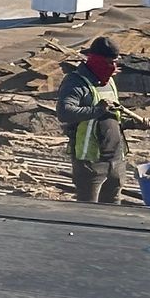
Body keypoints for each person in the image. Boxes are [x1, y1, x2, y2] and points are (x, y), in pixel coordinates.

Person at [56, 36, 127, 204]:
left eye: (115, 62)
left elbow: (113, 116)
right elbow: (65, 112)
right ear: (95, 60)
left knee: (112, 211)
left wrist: (130, 123)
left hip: (115, 159)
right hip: (90, 161)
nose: (113, 67)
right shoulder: (76, 82)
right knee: (88, 210)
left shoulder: (109, 82)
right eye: (109, 62)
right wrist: (97, 110)